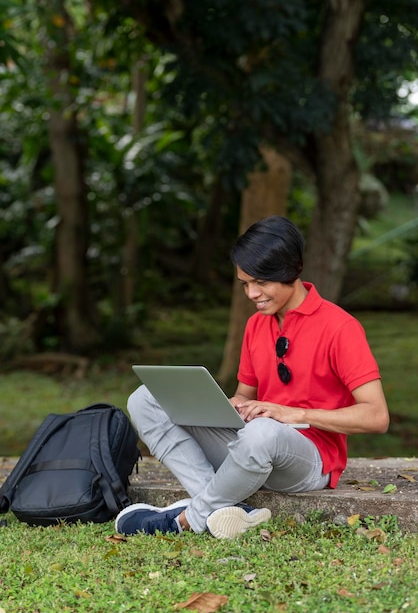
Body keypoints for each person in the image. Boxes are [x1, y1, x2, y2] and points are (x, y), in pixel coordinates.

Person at [116, 216, 390, 539]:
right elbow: (245, 395)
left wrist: (295, 414)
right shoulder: (256, 326)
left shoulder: (340, 328)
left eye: (260, 282)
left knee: (263, 432)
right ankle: (227, 512)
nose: (251, 293)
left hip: (310, 460)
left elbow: (376, 416)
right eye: (245, 283)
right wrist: (233, 405)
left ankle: (186, 519)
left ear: (291, 270)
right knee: (144, 400)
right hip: (253, 446)